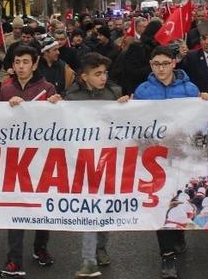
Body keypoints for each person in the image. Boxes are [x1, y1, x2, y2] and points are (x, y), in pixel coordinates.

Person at [132, 45, 208, 279]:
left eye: (165, 63)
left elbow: (200, 121)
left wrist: (205, 101)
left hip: (183, 158)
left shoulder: (190, 89)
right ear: (150, 66)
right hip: (157, 159)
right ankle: (167, 256)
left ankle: (178, 233)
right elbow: (134, 122)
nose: (161, 69)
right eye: (156, 64)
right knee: (160, 205)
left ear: (174, 63)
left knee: (180, 198)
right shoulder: (143, 91)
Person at [0, 45, 61, 277]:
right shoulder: (5, 90)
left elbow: (57, 124)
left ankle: (40, 248)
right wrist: (7, 107)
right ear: (12, 66)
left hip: (42, 158)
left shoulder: (47, 88)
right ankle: (14, 258)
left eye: (26, 62)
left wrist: (56, 105)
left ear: (35, 64)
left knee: (42, 205)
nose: (21, 66)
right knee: (15, 207)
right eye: (17, 62)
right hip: (15, 160)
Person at [67, 53, 130, 278]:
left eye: (105, 73)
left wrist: (125, 106)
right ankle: (88, 260)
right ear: (84, 77)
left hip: (109, 158)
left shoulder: (114, 93)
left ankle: (101, 246)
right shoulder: (71, 97)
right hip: (83, 161)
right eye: (97, 74)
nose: (103, 77)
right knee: (89, 209)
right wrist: (53, 105)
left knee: (105, 207)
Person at [177, 21, 208, 93]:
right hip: (200, 100)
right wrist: (180, 56)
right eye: (204, 38)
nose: (206, 42)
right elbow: (180, 72)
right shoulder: (192, 57)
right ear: (200, 40)